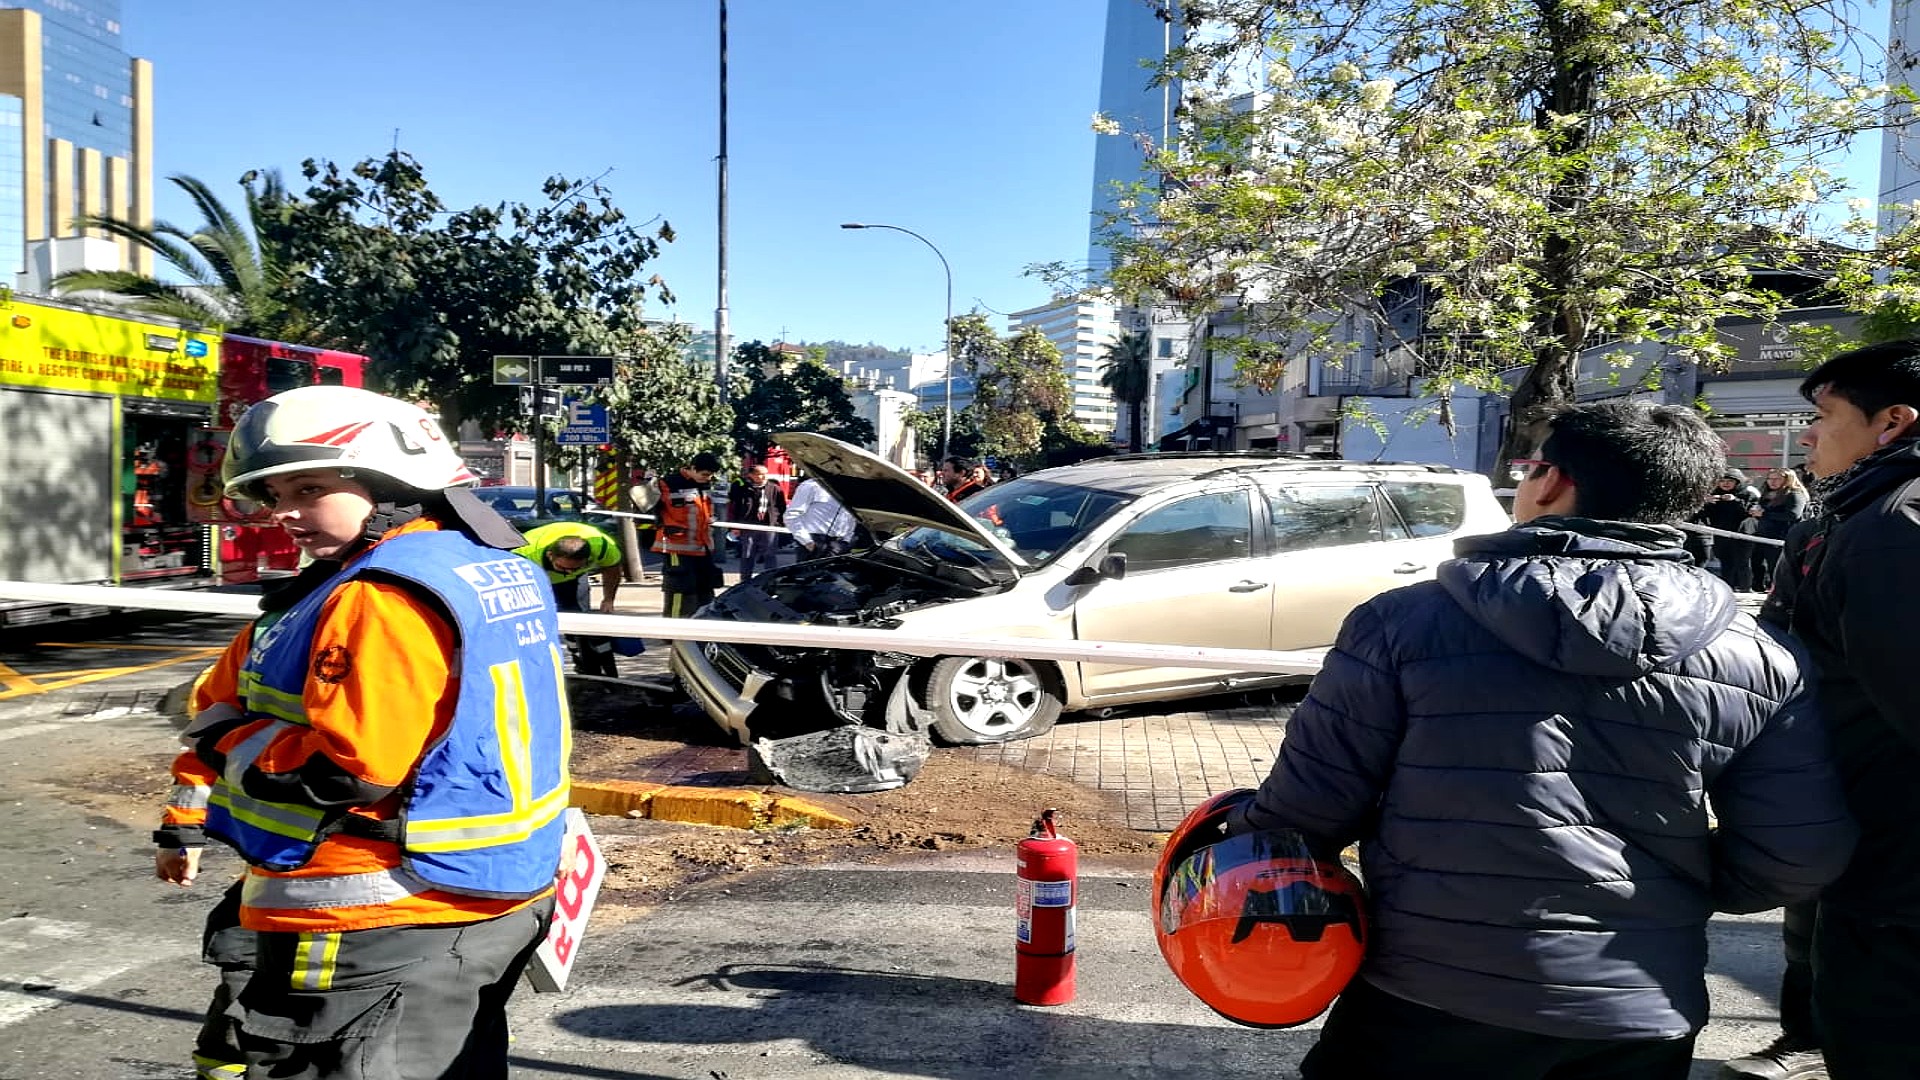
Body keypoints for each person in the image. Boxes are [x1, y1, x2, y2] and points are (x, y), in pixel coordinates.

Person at [1229, 400, 1855, 1080]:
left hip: (1425, 992)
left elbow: (1305, 813)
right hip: (1637, 1008)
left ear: (1550, 482)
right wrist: (1669, 882)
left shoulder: (1403, 624)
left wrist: (1231, 834)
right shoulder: (1762, 656)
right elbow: (1797, 854)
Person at [152, 385, 568, 1080]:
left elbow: (349, 769)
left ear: (391, 483)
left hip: (383, 912)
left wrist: (220, 740)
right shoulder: (486, 563)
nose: (284, 512)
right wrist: (186, 812)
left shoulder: (378, 594)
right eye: (273, 495)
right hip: (497, 891)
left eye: (309, 488)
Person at [1756, 339, 1920, 1079]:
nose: (1810, 436)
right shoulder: (1865, 516)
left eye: (1824, 416)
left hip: (1895, 866)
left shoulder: (1891, 528)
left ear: (1893, 421)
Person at [514, 519, 627, 676]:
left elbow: (612, 569)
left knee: (581, 619)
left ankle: (598, 669)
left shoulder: (602, 546)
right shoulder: (524, 556)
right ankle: (571, 661)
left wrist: (608, 599)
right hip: (538, 579)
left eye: (575, 568)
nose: (568, 572)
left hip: (575, 580)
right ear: (550, 555)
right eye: (562, 568)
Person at [651, 450, 723, 617]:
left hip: (701, 547)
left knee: (705, 588)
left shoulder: (703, 484)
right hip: (677, 546)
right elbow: (642, 501)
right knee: (680, 589)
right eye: (705, 474)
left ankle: (700, 627)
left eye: (711, 475)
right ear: (692, 468)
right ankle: (674, 631)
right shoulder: (668, 483)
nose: (708, 478)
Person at [1745, 468, 1808, 594]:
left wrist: (1765, 513)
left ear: (1787, 480)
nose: (1772, 482)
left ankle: (1778, 591)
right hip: (1762, 535)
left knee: (1776, 565)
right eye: (1770, 478)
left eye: (1777, 479)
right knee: (1757, 562)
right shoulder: (1767, 494)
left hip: (1780, 536)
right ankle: (1759, 587)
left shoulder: (1794, 494)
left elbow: (1793, 515)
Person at [1700, 468, 1761, 590]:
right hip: (1721, 533)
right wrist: (1706, 502)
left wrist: (1735, 501)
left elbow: (1750, 512)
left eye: (1729, 481)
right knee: (1725, 562)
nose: (1725, 484)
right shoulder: (1714, 494)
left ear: (1737, 482)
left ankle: (1745, 588)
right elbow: (1706, 514)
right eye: (1722, 481)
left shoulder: (1747, 494)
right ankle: (1728, 587)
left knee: (1742, 562)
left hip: (1742, 533)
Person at [725, 463, 787, 582]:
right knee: (747, 554)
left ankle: (770, 580)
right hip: (749, 526)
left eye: (765, 475)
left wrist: (779, 523)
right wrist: (734, 525)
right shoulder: (743, 488)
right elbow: (734, 508)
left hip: (769, 526)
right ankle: (745, 581)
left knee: (770, 554)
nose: (763, 477)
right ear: (751, 475)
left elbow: (781, 507)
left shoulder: (774, 488)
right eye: (759, 475)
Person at [784, 468, 857, 560]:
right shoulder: (811, 486)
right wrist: (808, 542)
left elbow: (850, 517)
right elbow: (791, 516)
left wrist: (846, 540)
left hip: (840, 545)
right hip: (814, 542)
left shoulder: (850, 488)